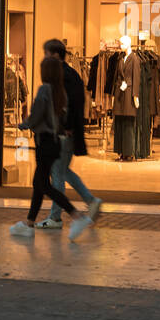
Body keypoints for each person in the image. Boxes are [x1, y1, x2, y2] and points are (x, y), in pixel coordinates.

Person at [9, 56, 93, 240]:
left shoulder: (44, 90)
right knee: (39, 184)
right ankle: (29, 222)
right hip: (54, 141)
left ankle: (76, 215)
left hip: (44, 142)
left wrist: (23, 125)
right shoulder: (60, 91)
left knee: (43, 184)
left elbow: (37, 115)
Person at [40, 39, 102, 229]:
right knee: (63, 171)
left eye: (47, 54)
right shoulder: (71, 74)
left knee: (57, 173)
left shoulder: (63, 76)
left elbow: (67, 104)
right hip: (67, 130)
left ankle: (56, 217)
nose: (45, 57)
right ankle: (90, 200)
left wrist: (66, 125)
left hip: (63, 132)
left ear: (56, 55)